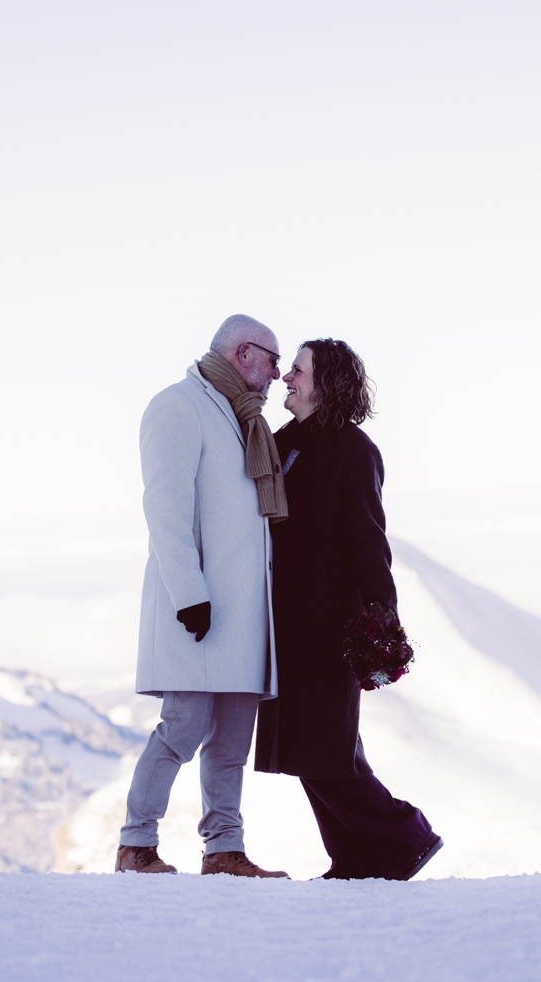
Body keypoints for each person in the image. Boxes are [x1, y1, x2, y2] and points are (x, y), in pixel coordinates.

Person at [254, 338, 443, 880]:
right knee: (307, 748)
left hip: (330, 620)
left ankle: (407, 836)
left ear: (327, 382)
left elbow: (368, 538)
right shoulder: (286, 442)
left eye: (298, 369)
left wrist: (383, 616)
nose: (287, 377)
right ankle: (353, 859)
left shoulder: (354, 450)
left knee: (325, 747)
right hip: (286, 619)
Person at [115, 314, 290, 878]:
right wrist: (190, 593)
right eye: (272, 360)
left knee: (233, 740)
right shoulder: (178, 406)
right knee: (183, 728)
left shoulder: (244, 420)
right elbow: (165, 510)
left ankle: (225, 850)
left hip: (243, 615)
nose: (278, 374)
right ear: (243, 354)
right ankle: (135, 845)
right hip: (198, 607)